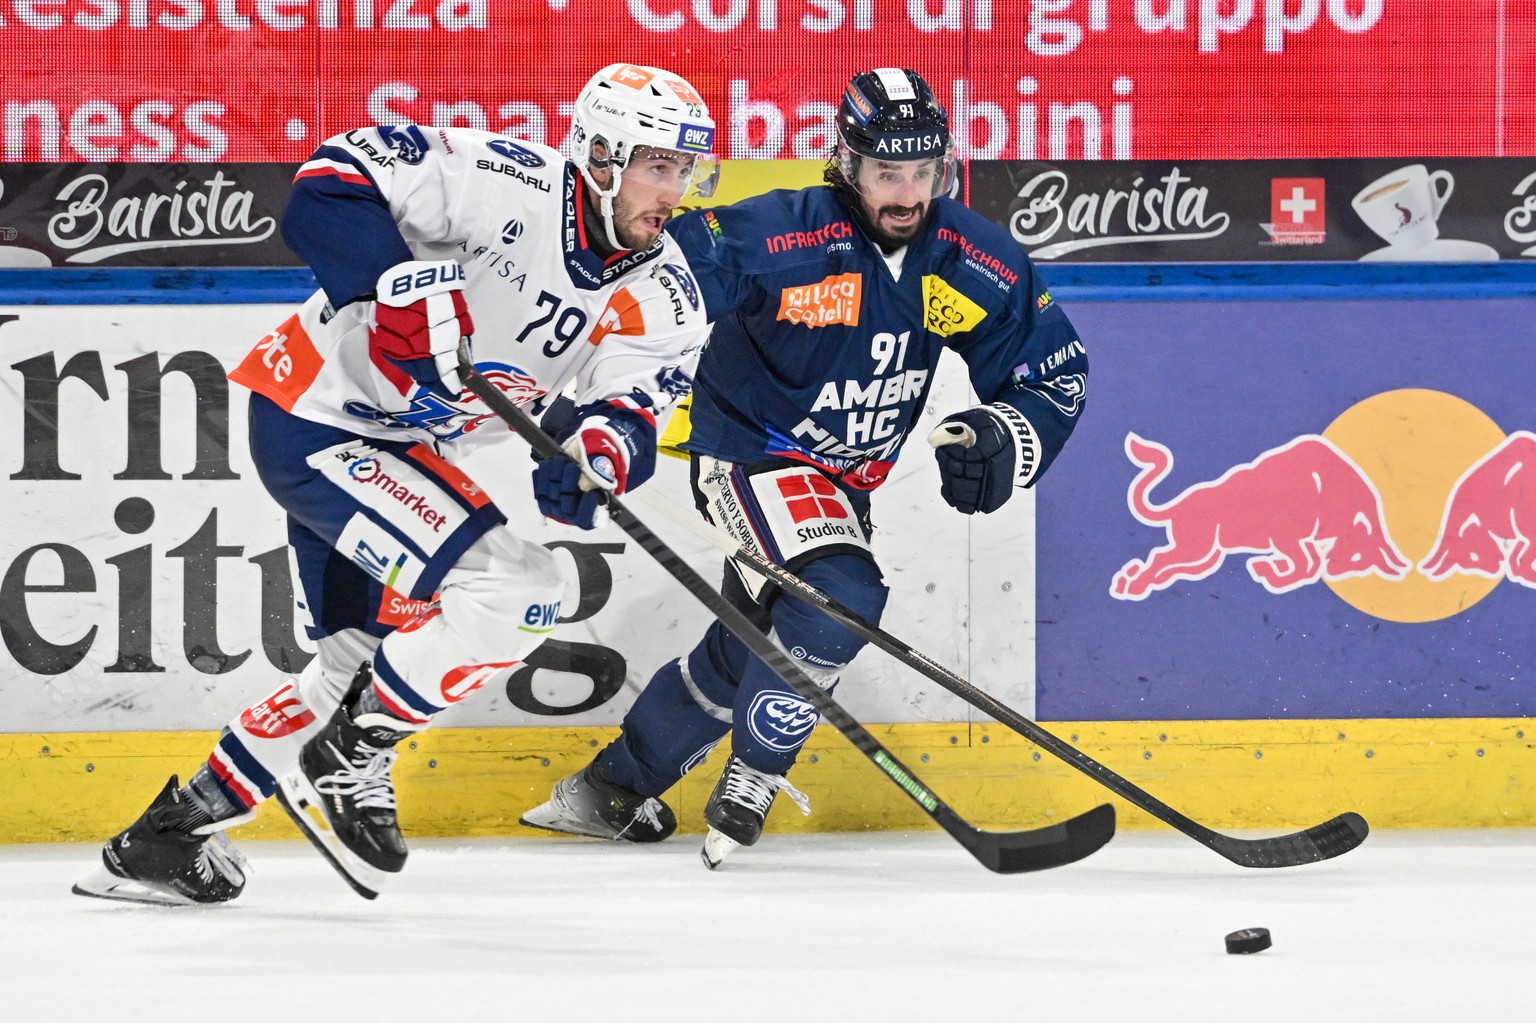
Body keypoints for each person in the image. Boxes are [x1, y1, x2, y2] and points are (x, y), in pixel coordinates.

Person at [71, 63, 719, 905]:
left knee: (353, 667)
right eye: (656, 165)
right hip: (314, 415)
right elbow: (326, 187)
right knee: (523, 588)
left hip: (401, 451)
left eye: (685, 169)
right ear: (599, 155)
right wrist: (393, 293)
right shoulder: (500, 180)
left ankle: (160, 839)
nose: (673, 190)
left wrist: (596, 453)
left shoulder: (664, 295)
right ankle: (356, 748)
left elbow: (629, 409)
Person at [521, 67, 1089, 866]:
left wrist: (1007, 431)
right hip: (746, 454)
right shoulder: (778, 237)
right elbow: (649, 280)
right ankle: (754, 776)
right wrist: (576, 388)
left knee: (745, 650)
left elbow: (1050, 370)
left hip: (845, 485)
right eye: (887, 172)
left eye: (922, 172)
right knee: (843, 593)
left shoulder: (965, 257)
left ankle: (607, 789)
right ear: (847, 165)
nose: (906, 192)